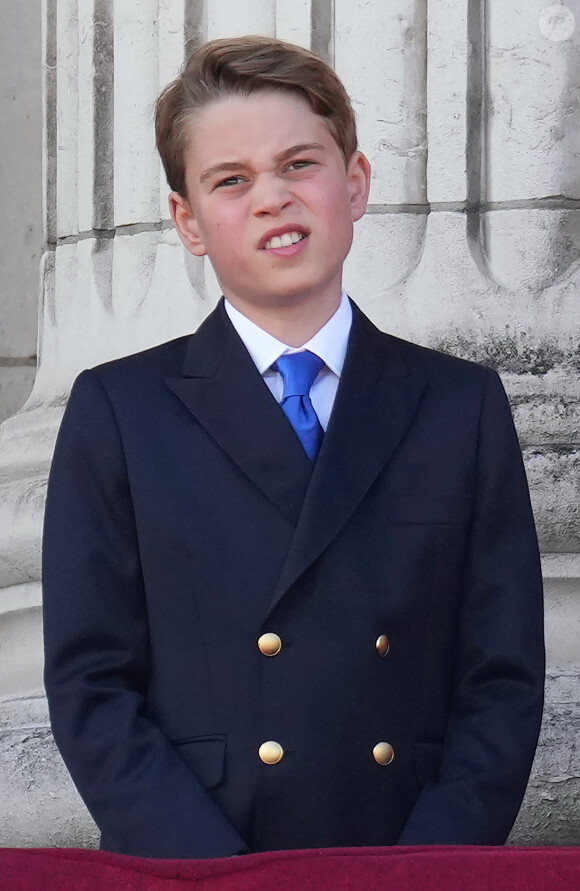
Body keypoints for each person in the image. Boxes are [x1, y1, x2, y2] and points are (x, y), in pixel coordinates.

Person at [42, 35, 545, 859]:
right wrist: (215, 876)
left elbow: (502, 676)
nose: (272, 197)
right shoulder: (119, 411)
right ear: (189, 222)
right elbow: (92, 684)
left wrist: (424, 874)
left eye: (299, 164)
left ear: (354, 185)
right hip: (200, 863)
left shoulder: (461, 407)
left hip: (405, 861)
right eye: (231, 180)